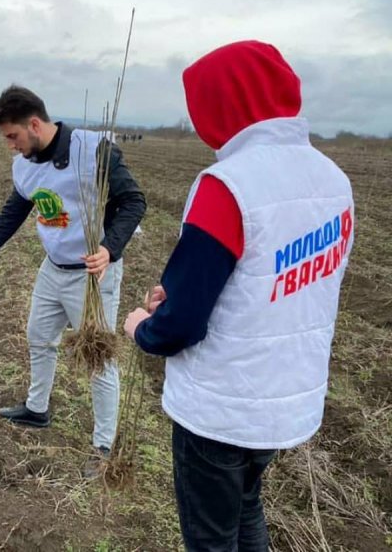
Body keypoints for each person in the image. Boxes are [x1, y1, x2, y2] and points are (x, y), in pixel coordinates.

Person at [123, 41, 354, 550]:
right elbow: (280, 283)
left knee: (210, 538)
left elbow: (180, 326)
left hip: (221, 410)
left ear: (219, 107)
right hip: (285, 403)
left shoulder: (227, 185)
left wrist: (142, 324)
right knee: (246, 506)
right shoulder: (333, 180)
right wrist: (185, 293)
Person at [0, 85, 146, 476]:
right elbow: (12, 213)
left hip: (92, 275)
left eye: (12, 136)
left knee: (98, 359)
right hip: (53, 267)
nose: (10, 145)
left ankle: (104, 444)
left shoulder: (93, 150)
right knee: (39, 337)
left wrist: (109, 248)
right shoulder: (24, 165)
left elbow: (134, 201)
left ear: (35, 124)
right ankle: (37, 409)